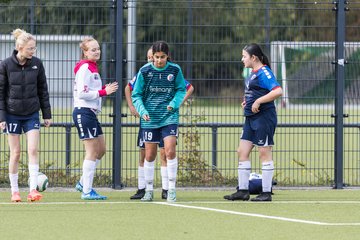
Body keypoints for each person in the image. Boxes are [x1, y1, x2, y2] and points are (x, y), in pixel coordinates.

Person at [126, 47, 194, 200]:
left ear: (167, 56)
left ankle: (171, 189)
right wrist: (141, 111)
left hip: (169, 118)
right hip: (150, 119)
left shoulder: (175, 70)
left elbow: (182, 89)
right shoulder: (144, 71)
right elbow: (135, 93)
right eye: (155, 57)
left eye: (162, 57)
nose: (158, 60)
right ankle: (148, 190)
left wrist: (174, 104)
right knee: (149, 155)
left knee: (169, 151)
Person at [224, 43, 282, 202]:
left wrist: (258, 102)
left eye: (244, 56)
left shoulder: (264, 72)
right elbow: (255, 92)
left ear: (253, 57)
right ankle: (243, 191)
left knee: (264, 153)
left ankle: (266, 192)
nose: (242, 59)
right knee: (242, 151)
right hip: (250, 119)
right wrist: (247, 103)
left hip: (264, 118)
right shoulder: (252, 73)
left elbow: (277, 91)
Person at [0, 28, 52, 202]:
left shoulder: (37, 64)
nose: (33, 51)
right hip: (12, 114)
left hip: (31, 114)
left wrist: (46, 114)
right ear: (20, 47)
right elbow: (1, 93)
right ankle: (14, 191)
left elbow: (43, 89)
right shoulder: (5, 65)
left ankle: (32, 190)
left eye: (34, 48)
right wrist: (2, 117)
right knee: (15, 153)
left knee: (33, 150)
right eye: (30, 48)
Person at [72, 37, 118, 200]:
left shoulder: (92, 67)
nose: (97, 51)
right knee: (91, 151)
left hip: (91, 113)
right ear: (85, 52)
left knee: (101, 150)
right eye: (93, 49)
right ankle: (87, 191)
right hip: (83, 112)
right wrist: (103, 92)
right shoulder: (85, 67)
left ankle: (83, 183)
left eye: (98, 48)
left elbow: (92, 90)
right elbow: (82, 94)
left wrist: (104, 88)